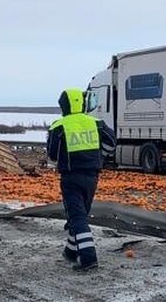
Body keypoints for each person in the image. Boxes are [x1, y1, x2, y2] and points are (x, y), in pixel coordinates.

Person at [47, 88, 116, 270]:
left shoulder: (58, 126)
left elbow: (52, 155)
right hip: (92, 177)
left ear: (63, 105)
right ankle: (70, 252)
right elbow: (111, 143)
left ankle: (88, 258)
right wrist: (100, 156)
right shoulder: (96, 123)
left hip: (70, 177)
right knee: (80, 215)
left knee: (77, 217)